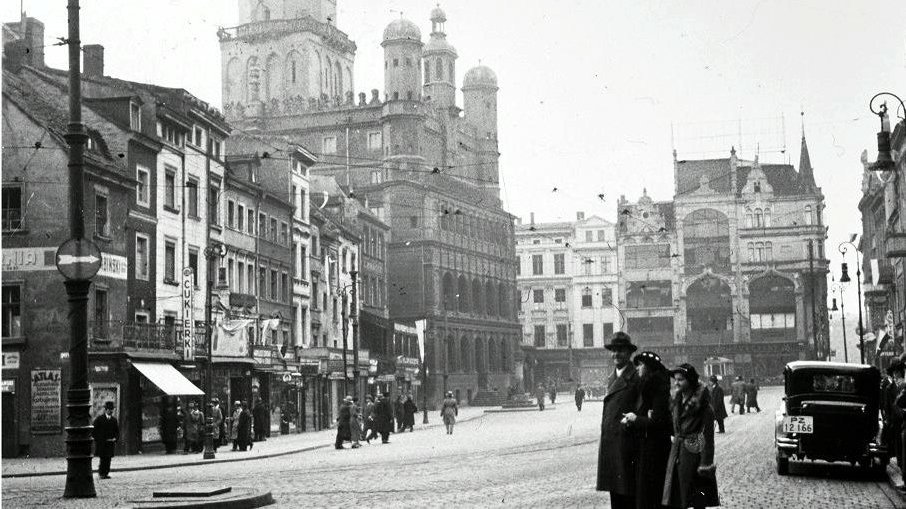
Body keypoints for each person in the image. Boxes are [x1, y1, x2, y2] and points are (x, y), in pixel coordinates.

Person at [663, 363, 720, 509]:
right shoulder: (676, 403)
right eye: (675, 379)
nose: (676, 383)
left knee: (697, 498)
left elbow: (708, 439)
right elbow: (674, 428)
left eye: (680, 379)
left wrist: (705, 464)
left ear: (691, 380)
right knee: (678, 496)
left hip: (694, 456)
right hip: (677, 454)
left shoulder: (704, 407)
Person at [596, 332, 641, 509]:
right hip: (611, 446)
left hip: (627, 447)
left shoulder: (636, 378)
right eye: (613, 350)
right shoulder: (611, 378)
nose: (616, 354)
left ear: (629, 353)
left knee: (628, 496)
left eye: (620, 350)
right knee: (616, 496)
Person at [621, 351, 671, 509]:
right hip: (646, 446)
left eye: (641, 365)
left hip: (654, 449)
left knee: (651, 492)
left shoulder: (658, 388)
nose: (638, 368)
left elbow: (658, 421)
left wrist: (635, 419)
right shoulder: (647, 386)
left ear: (649, 367)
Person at [92, 401, 119, 479]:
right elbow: (94, 430)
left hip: (110, 443)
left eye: (112, 409)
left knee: (108, 459)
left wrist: (115, 439)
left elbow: (117, 431)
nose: (111, 411)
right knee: (103, 458)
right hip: (102, 443)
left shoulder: (114, 420)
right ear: (106, 410)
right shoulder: (99, 419)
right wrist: (98, 439)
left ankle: (106, 473)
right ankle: (101, 473)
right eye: (109, 409)